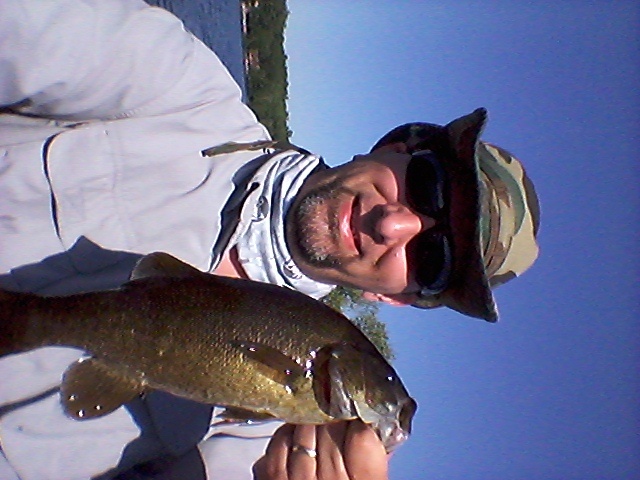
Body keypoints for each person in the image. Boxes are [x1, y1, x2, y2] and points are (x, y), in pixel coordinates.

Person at [0, 1, 540, 479]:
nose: (392, 226)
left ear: (396, 298)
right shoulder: (174, 88)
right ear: (396, 144)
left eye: (431, 257)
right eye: (426, 185)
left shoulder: (261, 446)